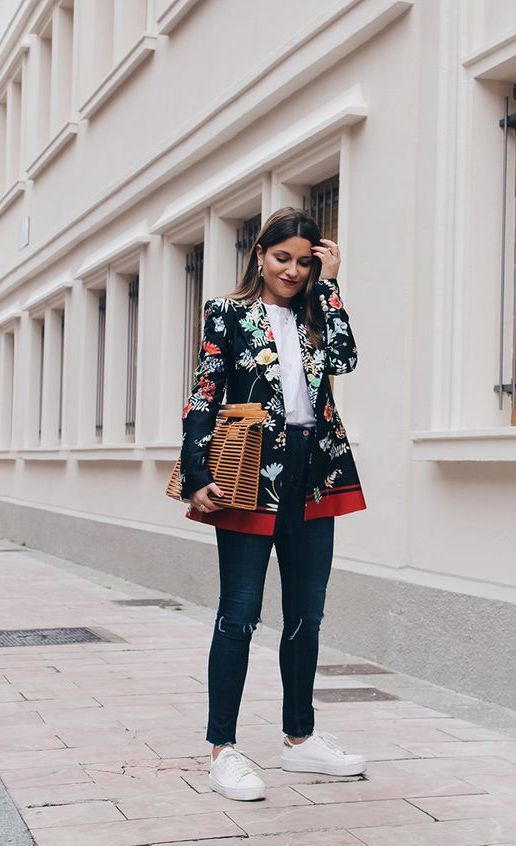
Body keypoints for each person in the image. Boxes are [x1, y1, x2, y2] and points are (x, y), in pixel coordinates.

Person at [179, 206, 367, 801]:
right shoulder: (228, 314)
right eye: (282, 257)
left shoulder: (316, 316)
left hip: (316, 471)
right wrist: (194, 473)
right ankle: (222, 750)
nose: (291, 270)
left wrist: (331, 287)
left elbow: (346, 360)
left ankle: (299, 738)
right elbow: (204, 392)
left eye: (304, 261)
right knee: (239, 612)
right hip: (248, 472)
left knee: (307, 613)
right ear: (260, 255)